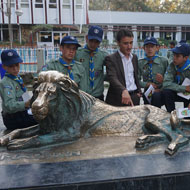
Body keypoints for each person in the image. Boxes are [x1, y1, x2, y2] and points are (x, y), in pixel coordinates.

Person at [0, 49, 38, 130]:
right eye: (11, 66)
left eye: (17, 65)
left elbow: (24, 96)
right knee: (43, 120)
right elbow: (9, 105)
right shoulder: (5, 83)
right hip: (13, 118)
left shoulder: (17, 78)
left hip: (23, 113)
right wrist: (25, 104)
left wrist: (30, 104)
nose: (15, 69)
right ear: (4, 67)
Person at [105, 29, 141, 106]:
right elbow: (112, 78)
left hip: (134, 97)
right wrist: (123, 90)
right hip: (119, 99)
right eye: (126, 43)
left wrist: (139, 92)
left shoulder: (134, 58)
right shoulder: (111, 59)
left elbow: (135, 76)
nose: (129, 47)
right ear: (118, 43)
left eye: (131, 43)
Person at [75, 25, 108, 101]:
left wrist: (102, 77)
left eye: (96, 42)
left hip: (98, 96)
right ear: (87, 38)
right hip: (82, 95)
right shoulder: (77, 54)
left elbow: (113, 71)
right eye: (91, 40)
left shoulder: (103, 56)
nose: (93, 44)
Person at [138, 37, 168, 108]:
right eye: (147, 47)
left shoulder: (164, 61)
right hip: (148, 91)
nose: (149, 49)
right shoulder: (140, 62)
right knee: (147, 102)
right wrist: (147, 84)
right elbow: (136, 80)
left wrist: (162, 81)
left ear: (157, 48)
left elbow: (171, 79)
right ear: (144, 48)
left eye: (152, 46)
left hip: (162, 90)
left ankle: (157, 117)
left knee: (156, 96)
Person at [163, 43, 190, 112]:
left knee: (187, 117)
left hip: (188, 95)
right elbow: (166, 83)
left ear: (185, 58)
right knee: (166, 92)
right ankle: (172, 113)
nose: (174, 58)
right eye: (174, 55)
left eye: (177, 56)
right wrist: (184, 88)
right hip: (177, 91)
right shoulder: (172, 65)